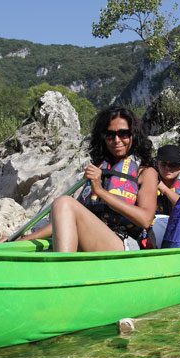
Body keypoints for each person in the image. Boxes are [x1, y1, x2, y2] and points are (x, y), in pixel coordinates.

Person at [19, 107, 158, 252]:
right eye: (110, 135)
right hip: (93, 239)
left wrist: (100, 191)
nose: (117, 140)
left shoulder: (145, 172)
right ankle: (63, 265)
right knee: (61, 204)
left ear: (133, 135)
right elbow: (66, 216)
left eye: (124, 134)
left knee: (64, 201)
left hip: (124, 243)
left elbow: (146, 220)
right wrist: (24, 239)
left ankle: (61, 270)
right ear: (103, 138)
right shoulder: (99, 169)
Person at [154, 144, 180, 215]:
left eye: (173, 165)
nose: (167, 168)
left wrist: (164, 189)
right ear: (157, 164)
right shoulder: (150, 177)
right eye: (163, 164)